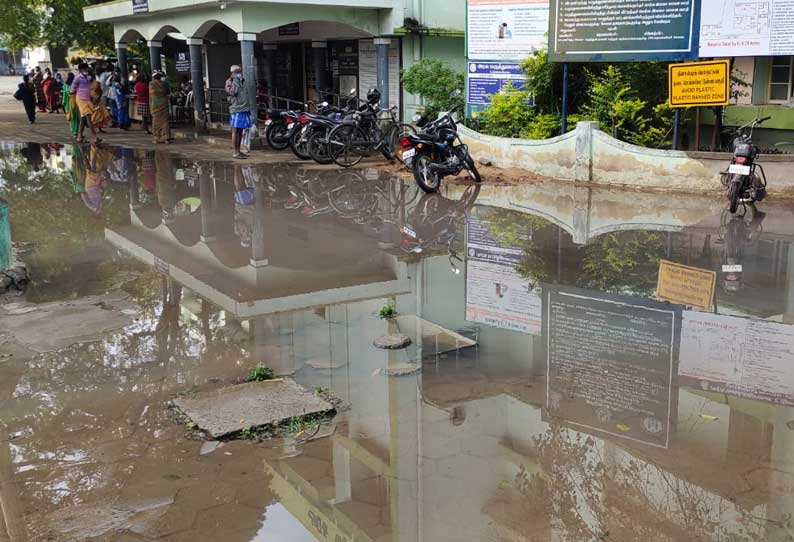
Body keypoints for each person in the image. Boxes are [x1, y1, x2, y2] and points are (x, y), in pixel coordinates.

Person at [224, 65, 252, 159]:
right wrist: (235, 81)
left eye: (240, 71)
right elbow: (232, 92)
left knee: (240, 131)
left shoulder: (242, 80)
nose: (240, 73)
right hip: (236, 109)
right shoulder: (229, 81)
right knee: (235, 131)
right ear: (233, 73)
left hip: (244, 108)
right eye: (237, 71)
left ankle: (239, 151)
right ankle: (235, 152)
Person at [71, 63, 100, 143]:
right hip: (80, 99)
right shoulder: (77, 78)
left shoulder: (88, 78)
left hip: (87, 99)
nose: (86, 70)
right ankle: (94, 136)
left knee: (83, 119)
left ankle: (79, 136)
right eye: (84, 69)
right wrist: (72, 92)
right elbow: (72, 89)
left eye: (87, 69)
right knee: (88, 117)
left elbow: (94, 83)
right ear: (80, 70)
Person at [149, 71, 171, 144]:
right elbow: (168, 93)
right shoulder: (165, 83)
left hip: (155, 106)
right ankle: (166, 138)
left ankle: (156, 138)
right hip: (164, 104)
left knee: (156, 122)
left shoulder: (151, 84)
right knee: (165, 121)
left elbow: (152, 94)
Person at [63, 72, 80, 137]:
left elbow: (64, 96)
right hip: (74, 102)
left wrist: (63, 103)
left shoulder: (66, 85)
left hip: (68, 103)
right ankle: (75, 131)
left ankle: (74, 131)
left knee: (72, 118)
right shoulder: (74, 85)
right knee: (75, 118)